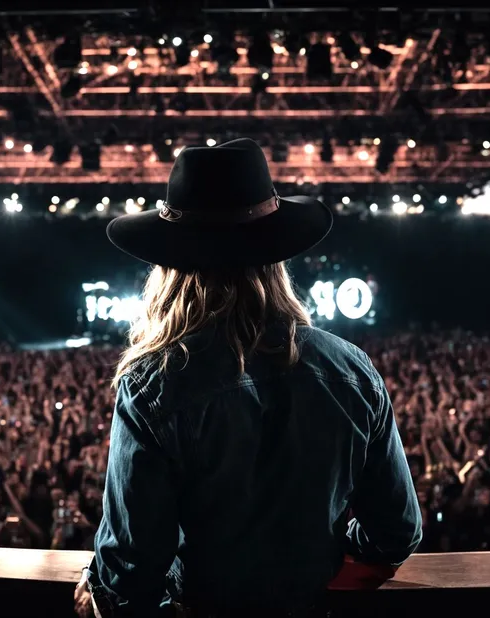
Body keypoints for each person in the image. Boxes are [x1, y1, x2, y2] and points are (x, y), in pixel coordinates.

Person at [76, 138, 422, 617]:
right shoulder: (351, 369)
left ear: (171, 269)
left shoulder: (155, 382)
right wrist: (317, 567)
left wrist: (97, 592)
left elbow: (130, 569)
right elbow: (397, 531)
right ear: (276, 258)